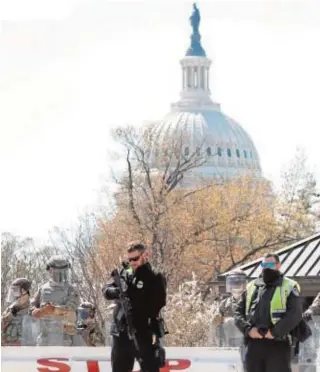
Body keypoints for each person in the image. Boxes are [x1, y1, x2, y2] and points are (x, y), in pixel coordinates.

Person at [103, 241, 167, 372]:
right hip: (121, 335)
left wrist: (132, 297)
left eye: (135, 259)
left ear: (145, 255)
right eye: (130, 259)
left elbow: (158, 304)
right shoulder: (124, 273)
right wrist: (114, 292)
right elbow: (106, 289)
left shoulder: (154, 276)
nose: (132, 262)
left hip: (144, 333)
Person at [234, 252, 302, 372]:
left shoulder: (289, 285)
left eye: (270, 264)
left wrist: (275, 332)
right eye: (264, 264)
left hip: (278, 344)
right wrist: (248, 330)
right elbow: (238, 312)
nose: (267, 267)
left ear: (278, 265)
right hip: (254, 344)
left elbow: (295, 314)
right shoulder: (251, 286)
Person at [30, 255, 80, 346]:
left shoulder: (72, 289)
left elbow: (71, 308)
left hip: (64, 337)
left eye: (62, 271)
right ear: (50, 270)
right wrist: (34, 310)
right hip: (44, 336)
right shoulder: (42, 288)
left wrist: (54, 309)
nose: (59, 274)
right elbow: (32, 305)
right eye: (56, 271)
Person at [213, 269, 247, 347]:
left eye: (239, 283)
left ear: (244, 284)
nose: (236, 285)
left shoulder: (250, 301)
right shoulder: (224, 304)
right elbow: (217, 324)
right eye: (233, 282)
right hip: (228, 343)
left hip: (246, 342)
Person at [1, 278, 31, 346]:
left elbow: (29, 336)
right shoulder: (13, 306)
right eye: (12, 289)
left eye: (15, 289)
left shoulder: (29, 308)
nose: (13, 291)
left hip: (20, 347)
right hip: (7, 344)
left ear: (23, 290)